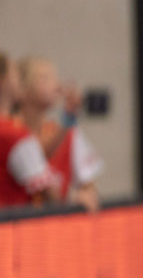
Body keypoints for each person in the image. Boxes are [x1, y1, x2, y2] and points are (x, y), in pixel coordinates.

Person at [15, 55, 102, 212]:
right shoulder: (11, 133)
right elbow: (38, 153)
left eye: (54, 78)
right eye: (44, 78)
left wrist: (84, 195)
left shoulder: (68, 133)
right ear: (21, 89)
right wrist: (68, 119)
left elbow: (89, 185)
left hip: (54, 224)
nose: (56, 85)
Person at [0, 51, 57, 208]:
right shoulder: (14, 135)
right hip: (12, 218)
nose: (18, 79)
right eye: (15, 74)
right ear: (4, 82)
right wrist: (76, 201)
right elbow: (49, 193)